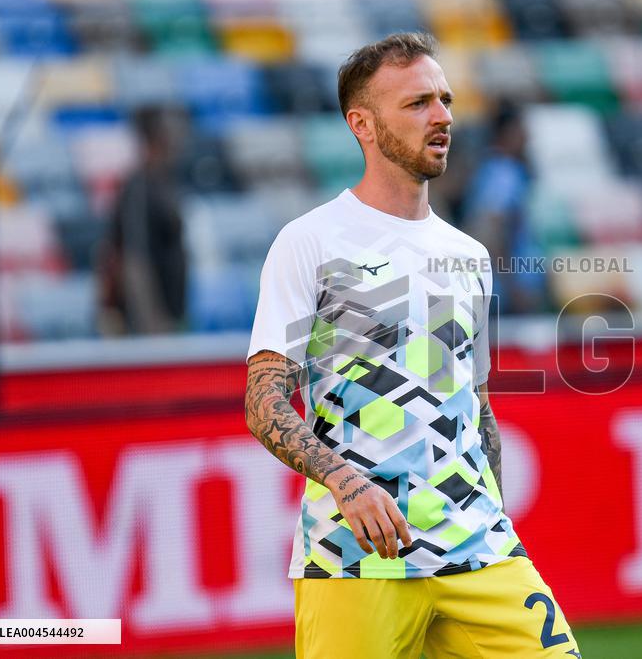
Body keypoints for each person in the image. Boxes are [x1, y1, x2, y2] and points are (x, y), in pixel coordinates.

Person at [244, 33, 579, 658]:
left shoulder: (469, 255)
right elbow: (263, 402)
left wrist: (496, 514)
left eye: (445, 99)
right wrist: (345, 482)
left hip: (478, 549)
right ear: (362, 125)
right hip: (357, 556)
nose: (442, 116)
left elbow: (476, 407)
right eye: (418, 103)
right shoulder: (310, 241)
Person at [100, 106, 188, 335]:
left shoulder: (164, 181)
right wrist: (150, 322)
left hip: (168, 315)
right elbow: (135, 261)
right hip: (150, 321)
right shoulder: (139, 189)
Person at [462, 100, 549, 314]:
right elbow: (491, 231)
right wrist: (514, 287)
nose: (527, 137)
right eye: (521, 129)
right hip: (508, 292)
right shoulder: (504, 174)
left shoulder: (494, 169)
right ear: (507, 133)